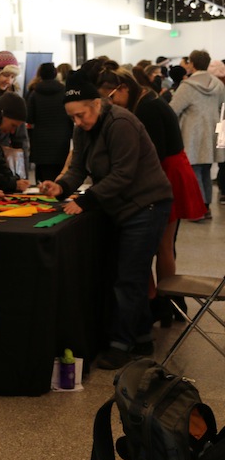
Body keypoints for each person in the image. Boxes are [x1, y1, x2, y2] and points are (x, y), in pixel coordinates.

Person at [39, 71, 173, 370]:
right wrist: (60, 187)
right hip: (121, 207)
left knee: (129, 276)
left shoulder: (122, 123)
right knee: (126, 274)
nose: (77, 122)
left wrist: (85, 201)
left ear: (97, 104)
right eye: (72, 118)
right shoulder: (82, 128)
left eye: (81, 115)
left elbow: (123, 174)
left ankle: (120, 344)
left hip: (146, 204)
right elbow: (77, 167)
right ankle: (141, 337)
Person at [95, 65, 204, 328]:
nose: (111, 104)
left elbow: (154, 153)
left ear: (124, 88)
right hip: (169, 171)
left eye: (111, 97)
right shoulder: (147, 100)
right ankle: (168, 303)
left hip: (167, 174)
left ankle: (165, 302)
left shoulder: (147, 108)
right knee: (162, 245)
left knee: (161, 246)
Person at [169, 49, 225, 221]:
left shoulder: (187, 86)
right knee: (206, 170)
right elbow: (222, 108)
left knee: (194, 172)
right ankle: (206, 207)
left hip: (191, 133)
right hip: (212, 131)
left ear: (192, 64)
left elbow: (173, 110)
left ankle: (198, 209)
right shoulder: (218, 84)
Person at [27, 62, 73, 182]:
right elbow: (71, 116)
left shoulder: (34, 93)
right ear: (55, 74)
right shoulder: (65, 92)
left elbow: (29, 118)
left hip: (41, 142)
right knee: (61, 176)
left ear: (40, 75)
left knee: (43, 179)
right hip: (62, 140)